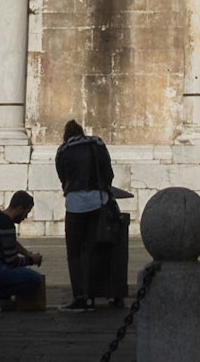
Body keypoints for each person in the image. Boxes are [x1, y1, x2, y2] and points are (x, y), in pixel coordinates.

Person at [55, 118, 127, 309]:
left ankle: (79, 296)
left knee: (74, 252)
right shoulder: (97, 144)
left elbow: (63, 179)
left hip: (74, 206)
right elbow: (108, 173)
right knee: (94, 250)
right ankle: (91, 296)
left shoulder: (63, 150)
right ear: (82, 132)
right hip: (98, 203)